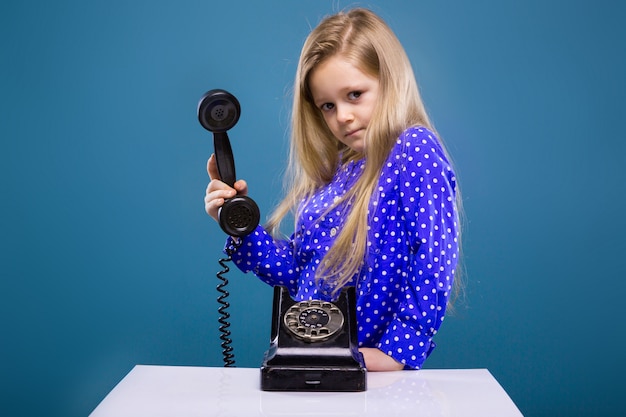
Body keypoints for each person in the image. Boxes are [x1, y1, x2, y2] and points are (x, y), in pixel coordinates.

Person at [204, 8, 460, 371]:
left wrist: (399, 351)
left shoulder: (413, 150)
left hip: (369, 373)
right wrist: (237, 223)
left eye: (355, 94)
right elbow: (297, 272)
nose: (342, 116)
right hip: (318, 361)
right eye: (328, 105)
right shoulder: (335, 173)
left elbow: (434, 257)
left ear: (390, 80)